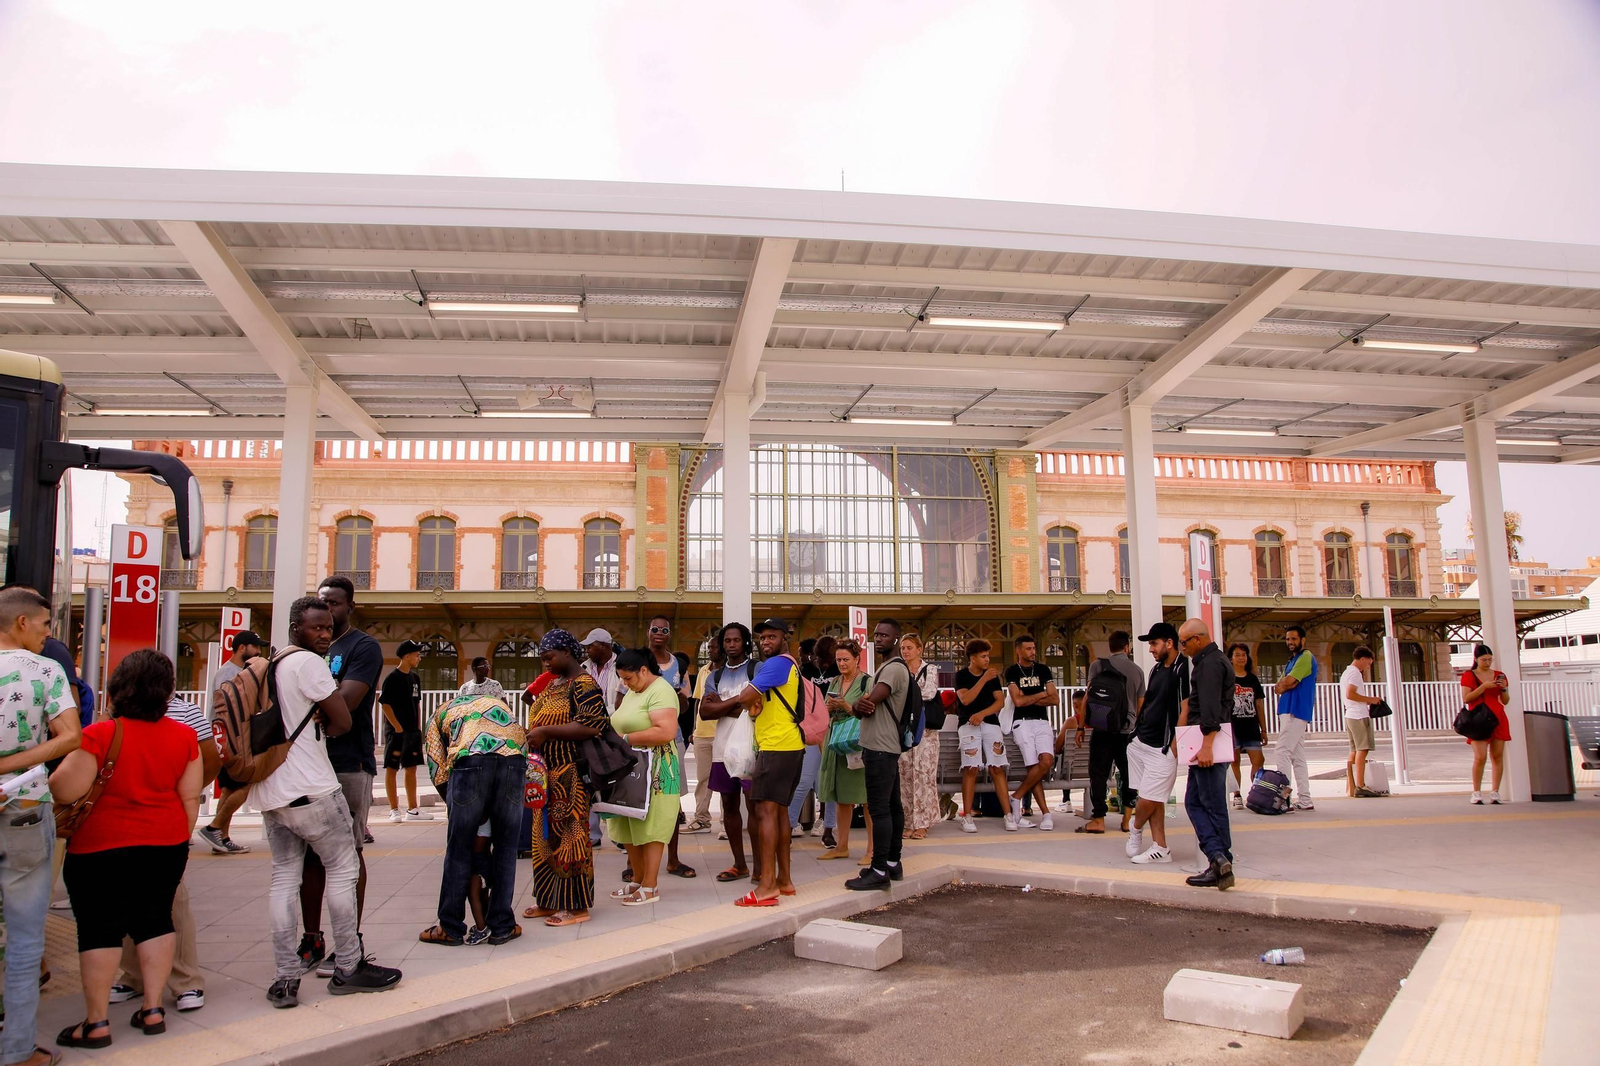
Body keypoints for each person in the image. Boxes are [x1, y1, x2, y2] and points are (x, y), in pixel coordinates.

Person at [252, 596, 402, 1009]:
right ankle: (349, 966)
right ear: (296, 628)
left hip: (272, 789)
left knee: (284, 877)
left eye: (327, 627)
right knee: (342, 869)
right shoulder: (309, 664)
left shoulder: (272, 663)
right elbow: (342, 720)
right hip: (313, 787)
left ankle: (285, 978)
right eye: (316, 627)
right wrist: (326, 713)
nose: (325, 634)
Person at [51, 649, 200, 1046]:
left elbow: (65, 788)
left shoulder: (98, 735)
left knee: (100, 929)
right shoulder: (184, 736)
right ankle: (152, 1009)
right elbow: (190, 798)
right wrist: (178, 842)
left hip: (100, 847)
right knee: (155, 920)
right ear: (166, 692)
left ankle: (97, 1022)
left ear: (118, 688)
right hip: (165, 844)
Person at [0, 586, 81, 1066]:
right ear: (23, 623)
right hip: (25, 805)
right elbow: (70, 736)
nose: (49, 635)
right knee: (27, 934)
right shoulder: (45, 671)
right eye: (46, 626)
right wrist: (13, 763)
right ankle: (18, 1050)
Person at [297, 576, 386, 979]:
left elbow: (345, 704)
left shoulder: (362, 647)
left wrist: (310, 700)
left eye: (334, 604)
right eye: (321, 603)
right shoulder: (305, 649)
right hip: (307, 763)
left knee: (349, 855)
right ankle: (312, 937)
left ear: (350, 606)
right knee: (307, 858)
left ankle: (349, 939)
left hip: (349, 761)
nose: (327, 611)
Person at [105, 690, 211, 1015]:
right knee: (126, 901)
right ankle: (133, 976)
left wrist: (185, 821)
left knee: (172, 902)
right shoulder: (116, 721)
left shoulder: (186, 718)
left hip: (166, 827)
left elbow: (210, 760)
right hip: (123, 827)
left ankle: (185, 981)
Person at [418, 682, 528, 947]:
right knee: (505, 849)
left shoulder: (445, 709)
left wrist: (456, 805)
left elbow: (436, 761)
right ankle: (502, 925)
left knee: (459, 849)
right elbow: (522, 747)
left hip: (469, 762)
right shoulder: (503, 707)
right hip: (513, 765)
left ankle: (451, 928)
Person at [523, 630, 608, 927]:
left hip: (570, 772)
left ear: (567, 653)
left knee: (571, 839)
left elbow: (593, 724)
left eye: (549, 657)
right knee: (543, 839)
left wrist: (546, 732)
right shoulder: (554, 684)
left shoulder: (584, 683)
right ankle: (548, 899)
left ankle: (576, 905)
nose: (546, 663)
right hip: (545, 776)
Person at [734, 619, 805, 907]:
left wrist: (748, 700)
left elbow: (744, 697)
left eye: (771, 637)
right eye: (762, 638)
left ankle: (766, 887)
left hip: (776, 747)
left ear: (785, 638)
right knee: (780, 814)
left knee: (764, 812)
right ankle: (785, 881)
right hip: (791, 745)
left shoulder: (776, 664)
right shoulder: (791, 665)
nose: (765, 642)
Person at [605, 650, 684, 906]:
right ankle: (638, 880)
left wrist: (625, 740)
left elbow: (666, 731)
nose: (625, 684)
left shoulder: (660, 690)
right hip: (632, 767)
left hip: (658, 767)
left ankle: (650, 886)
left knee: (652, 825)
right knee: (628, 824)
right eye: (622, 679)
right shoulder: (634, 691)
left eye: (628, 678)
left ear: (643, 670)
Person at [846, 619, 912, 891]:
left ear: (897, 639)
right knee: (892, 805)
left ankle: (879, 868)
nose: (879, 638)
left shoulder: (894, 669)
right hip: (886, 746)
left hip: (880, 747)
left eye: (885, 635)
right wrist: (859, 704)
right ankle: (893, 863)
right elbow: (865, 704)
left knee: (880, 808)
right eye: (876, 634)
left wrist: (857, 704)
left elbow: (869, 703)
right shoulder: (890, 667)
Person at [696, 624, 761, 883]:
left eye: (737, 640)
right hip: (722, 749)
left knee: (754, 807)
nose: (731, 644)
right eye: (727, 641)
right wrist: (738, 701)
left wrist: (722, 705)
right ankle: (739, 864)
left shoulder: (757, 669)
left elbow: (758, 706)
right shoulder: (715, 676)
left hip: (750, 747)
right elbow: (705, 712)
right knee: (728, 805)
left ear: (746, 643)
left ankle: (760, 867)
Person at [1180, 619, 1234, 892]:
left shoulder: (1210, 665)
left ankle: (1219, 858)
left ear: (1198, 639)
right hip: (1207, 743)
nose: (1182, 648)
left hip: (1207, 745)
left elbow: (1211, 708)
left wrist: (1207, 746)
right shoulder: (1213, 661)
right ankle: (1219, 860)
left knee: (1208, 804)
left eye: (1184, 642)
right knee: (1196, 801)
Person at [196, 630, 262, 855]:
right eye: (255, 647)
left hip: (227, 738)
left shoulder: (236, 671)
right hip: (231, 738)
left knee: (229, 788)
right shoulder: (229, 673)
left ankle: (221, 837)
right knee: (245, 784)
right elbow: (229, 709)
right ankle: (214, 828)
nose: (259, 651)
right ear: (242, 648)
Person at [1074, 631, 1145, 834]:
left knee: (1098, 774)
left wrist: (1081, 726)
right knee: (1129, 774)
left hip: (1102, 728)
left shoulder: (1098, 665)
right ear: (1127, 648)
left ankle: (1098, 820)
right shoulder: (1137, 671)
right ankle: (1127, 819)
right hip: (1127, 732)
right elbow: (1141, 705)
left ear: (1110, 647)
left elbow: (1088, 696)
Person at [1125, 622, 1182, 865]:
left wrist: (1177, 738)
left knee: (1149, 798)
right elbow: (1148, 701)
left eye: (1154, 643)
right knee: (1153, 796)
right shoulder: (1157, 670)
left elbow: (1188, 705)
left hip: (1163, 746)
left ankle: (1135, 826)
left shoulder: (1184, 670)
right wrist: (1135, 731)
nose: (1151, 649)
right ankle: (1161, 847)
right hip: (1140, 742)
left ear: (1169, 643)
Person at [645, 616, 696, 879]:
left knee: (671, 802)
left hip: (671, 740)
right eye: (655, 629)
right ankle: (636, 863)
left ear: (669, 634)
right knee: (641, 801)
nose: (659, 633)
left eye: (665, 629)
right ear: (648, 632)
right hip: (643, 742)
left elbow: (686, 704)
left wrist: (677, 699)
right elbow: (621, 697)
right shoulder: (639, 660)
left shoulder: (678, 666)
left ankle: (673, 860)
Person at [817, 641, 871, 862]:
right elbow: (823, 710)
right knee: (841, 797)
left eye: (845, 659)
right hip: (836, 740)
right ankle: (841, 846)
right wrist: (828, 708)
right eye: (838, 660)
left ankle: (872, 850)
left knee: (867, 798)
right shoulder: (836, 681)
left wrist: (846, 707)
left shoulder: (866, 681)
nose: (841, 663)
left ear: (857, 659)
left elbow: (869, 711)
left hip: (857, 742)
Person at [786, 633, 840, 848]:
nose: (825, 663)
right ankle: (789, 824)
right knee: (804, 780)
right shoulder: (806, 671)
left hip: (834, 730)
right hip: (812, 729)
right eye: (822, 658)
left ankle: (828, 827)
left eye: (830, 658)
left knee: (828, 784)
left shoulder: (838, 671)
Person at [955, 639, 1013, 833]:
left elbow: (1000, 702)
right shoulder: (961, 676)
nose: (987, 659)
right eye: (983, 656)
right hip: (967, 725)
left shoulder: (993, 677)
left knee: (997, 767)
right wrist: (983, 679)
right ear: (973, 658)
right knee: (971, 768)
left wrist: (982, 714)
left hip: (990, 724)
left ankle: (1008, 814)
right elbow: (965, 699)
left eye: (988, 655)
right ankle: (968, 815)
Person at [1004, 635, 1059, 832]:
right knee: (1033, 766)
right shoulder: (1011, 671)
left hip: (1042, 721)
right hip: (1022, 723)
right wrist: (1042, 694)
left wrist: (1030, 697)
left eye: (1034, 648)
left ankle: (1016, 796)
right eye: (1028, 649)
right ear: (1018, 651)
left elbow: (1055, 699)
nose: (1033, 652)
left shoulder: (1043, 670)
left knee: (1046, 761)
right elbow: (1017, 702)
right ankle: (1046, 813)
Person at [898, 634, 941, 840]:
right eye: (902, 648)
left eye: (909, 647)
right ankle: (908, 821)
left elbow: (929, 692)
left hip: (926, 731)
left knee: (923, 775)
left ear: (919, 649)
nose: (905, 651)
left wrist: (906, 695)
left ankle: (923, 822)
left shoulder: (929, 669)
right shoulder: (900, 669)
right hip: (906, 728)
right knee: (905, 775)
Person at [1271, 624, 1319, 812]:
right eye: (1288, 639)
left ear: (1303, 640)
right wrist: (1286, 684)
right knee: (1297, 757)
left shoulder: (1306, 657)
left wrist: (1287, 683)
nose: (1290, 642)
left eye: (1294, 639)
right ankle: (1305, 800)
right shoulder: (1292, 660)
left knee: (1281, 751)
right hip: (1290, 710)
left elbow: (1288, 682)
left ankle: (1284, 799)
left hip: (1295, 710)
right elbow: (1279, 686)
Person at [380, 640, 428, 823]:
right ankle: (394, 809)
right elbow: (385, 704)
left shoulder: (415, 679)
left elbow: (417, 704)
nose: (419, 658)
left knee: (412, 767)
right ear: (406, 656)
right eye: (416, 655)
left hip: (412, 731)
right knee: (392, 767)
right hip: (396, 732)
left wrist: (417, 728)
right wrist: (397, 727)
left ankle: (413, 809)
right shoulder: (392, 678)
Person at [1462, 644, 1512, 805]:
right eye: (1484, 660)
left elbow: (1505, 701)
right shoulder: (1469, 675)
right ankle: (1476, 792)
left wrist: (1503, 689)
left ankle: (1495, 791)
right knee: (1480, 757)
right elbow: (1466, 698)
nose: (1487, 663)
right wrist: (1484, 686)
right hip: (1478, 719)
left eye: (1490, 660)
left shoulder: (1499, 675)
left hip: (1498, 717)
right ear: (1476, 659)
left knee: (1497, 756)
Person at [1226, 643, 1267, 809]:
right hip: (1232, 727)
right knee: (1234, 761)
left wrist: (1263, 729)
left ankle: (1256, 792)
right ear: (1231, 658)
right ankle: (1237, 795)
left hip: (1251, 726)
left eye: (1243, 654)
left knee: (1258, 760)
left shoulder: (1252, 679)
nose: (1241, 658)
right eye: (1237, 655)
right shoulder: (1227, 679)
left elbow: (1259, 705)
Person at [1342, 646, 1384, 798]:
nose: (1368, 667)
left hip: (1350, 714)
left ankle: (1351, 786)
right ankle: (1360, 785)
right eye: (1368, 664)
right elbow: (1351, 694)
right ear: (1363, 659)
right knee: (1362, 749)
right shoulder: (1355, 674)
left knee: (1353, 750)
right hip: (1358, 716)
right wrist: (1370, 700)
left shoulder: (1346, 672)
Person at [687, 639, 719, 837]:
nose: (710, 651)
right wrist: (694, 728)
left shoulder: (730, 672)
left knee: (726, 779)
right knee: (703, 779)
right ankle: (701, 819)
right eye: (709, 648)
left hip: (723, 732)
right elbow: (697, 702)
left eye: (714, 647)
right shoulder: (703, 671)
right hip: (702, 733)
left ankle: (726, 822)